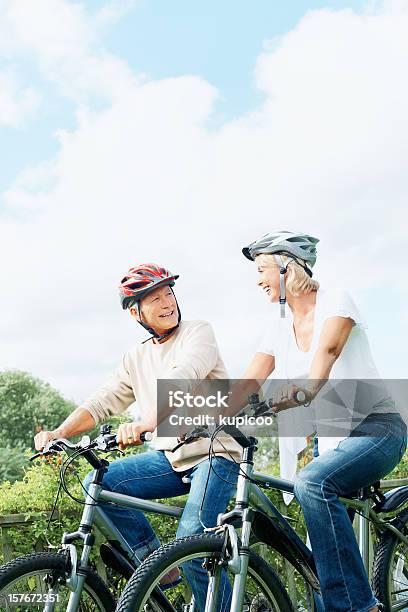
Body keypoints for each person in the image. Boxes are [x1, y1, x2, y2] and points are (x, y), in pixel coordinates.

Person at [34, 262, 240, 603]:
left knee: (191, 535)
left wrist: (147, 422)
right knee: (99, 483)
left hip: (214, 452)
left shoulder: (198, 332)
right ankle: (156, 562)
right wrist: (59, 431)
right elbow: (102, 401)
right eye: (154, 298)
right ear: (135, 312)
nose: (166, 302)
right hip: (171, 459)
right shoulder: (136, 356)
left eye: (168, 293)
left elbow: (184, 375)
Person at [229, 231, 407, 612]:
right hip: (334, 444)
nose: (258, 279)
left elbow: (327, 352)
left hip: (377, 429)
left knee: (311, 484)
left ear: (287, 265)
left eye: (262, 269)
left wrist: (305, 391)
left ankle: (361, 607)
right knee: (318, 551)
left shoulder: (335, 300)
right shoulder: (277, 326)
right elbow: (248, 381)